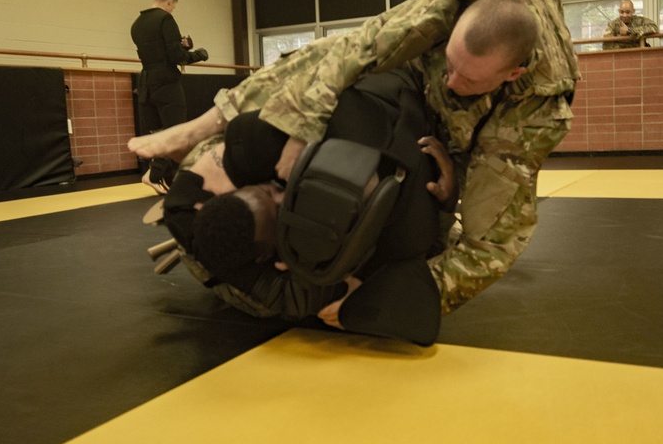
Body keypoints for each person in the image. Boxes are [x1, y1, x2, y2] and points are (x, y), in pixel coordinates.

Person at [130, 0, 580, 318]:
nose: (453, 79)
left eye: (469, 79)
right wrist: (301, 127)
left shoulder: (532, 116)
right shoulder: (447, 9)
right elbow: (353, 54)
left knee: (429, 234)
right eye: (450, 65)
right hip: (397, 89)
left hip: (444, 140)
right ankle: (205, 120)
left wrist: (380, 301)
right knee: (331, 52)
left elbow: (491, 248)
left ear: (513, 74)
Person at [154, 69, 455, 345]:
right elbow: (404, 304)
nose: (283, 195)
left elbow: (337, 93)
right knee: (291, 308)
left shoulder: (249, 146)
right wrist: (354, 300)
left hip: (230, 177)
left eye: (269, 191)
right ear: (274, 260)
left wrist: (296, 135)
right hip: (264, 265)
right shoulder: (287, 285)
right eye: (279, 210)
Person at [130, 0, 209, 194]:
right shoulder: (165, 19)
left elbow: (159, 52)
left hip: (146, 83)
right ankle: (153, 175)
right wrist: (197, 55)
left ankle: (165, 179)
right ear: (169, 2)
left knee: (158, 132)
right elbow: (176, 57)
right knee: (176, 133)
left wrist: (181, 46)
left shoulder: (136, 24)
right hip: (166, 84)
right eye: (173, 7)